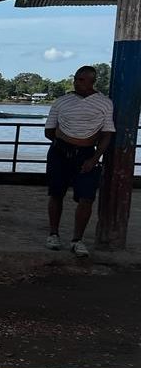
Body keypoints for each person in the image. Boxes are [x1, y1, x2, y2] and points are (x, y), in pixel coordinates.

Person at [43, 65, 115, 257]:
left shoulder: (105, 103)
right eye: (76, 79)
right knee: (56, 193)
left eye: (82, 80)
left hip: (86, 153)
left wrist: (94, 157)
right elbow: (48, 130)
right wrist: (64, 143)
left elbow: (107, 134)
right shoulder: (61, 102)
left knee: (86, 197)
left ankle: (77, 239)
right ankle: (53, 234)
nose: (77, 82)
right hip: (60, 151)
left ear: (92, 81)